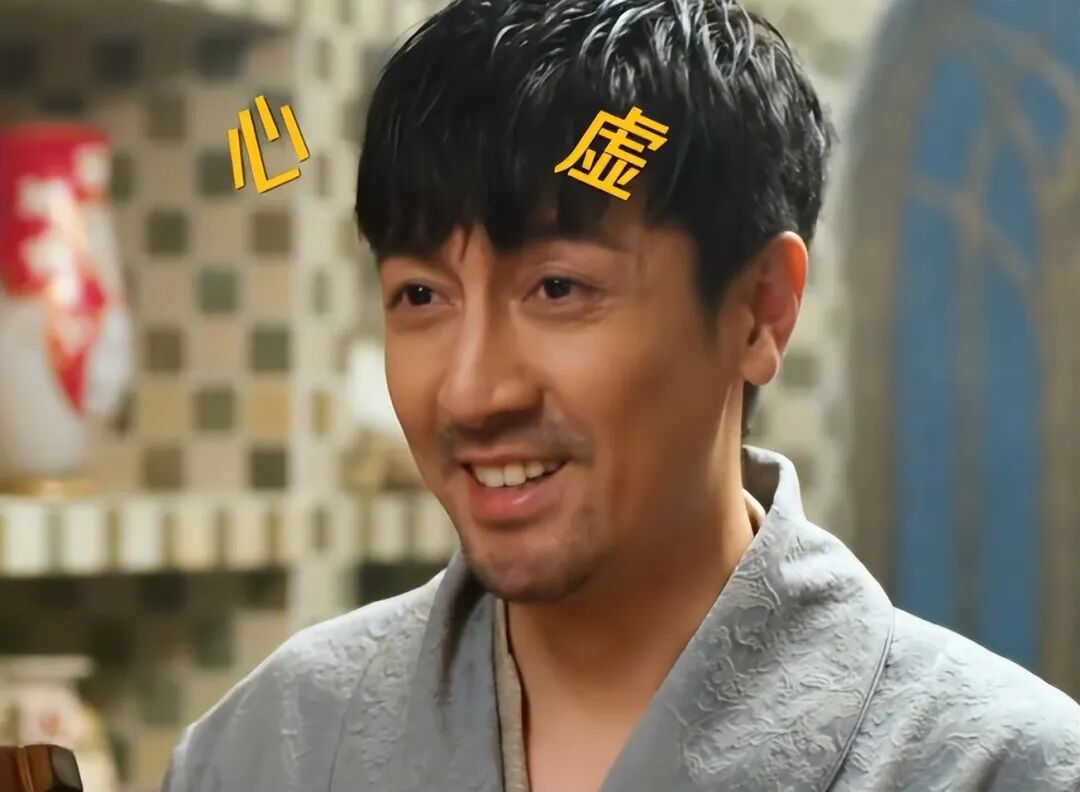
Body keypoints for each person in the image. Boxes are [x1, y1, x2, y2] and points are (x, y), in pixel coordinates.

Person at [162, 1, 1080, 790]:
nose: (473, 393)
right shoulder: (264, 748)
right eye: (421, 296)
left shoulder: (997, 766)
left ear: (760, 310)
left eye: (558, 288)